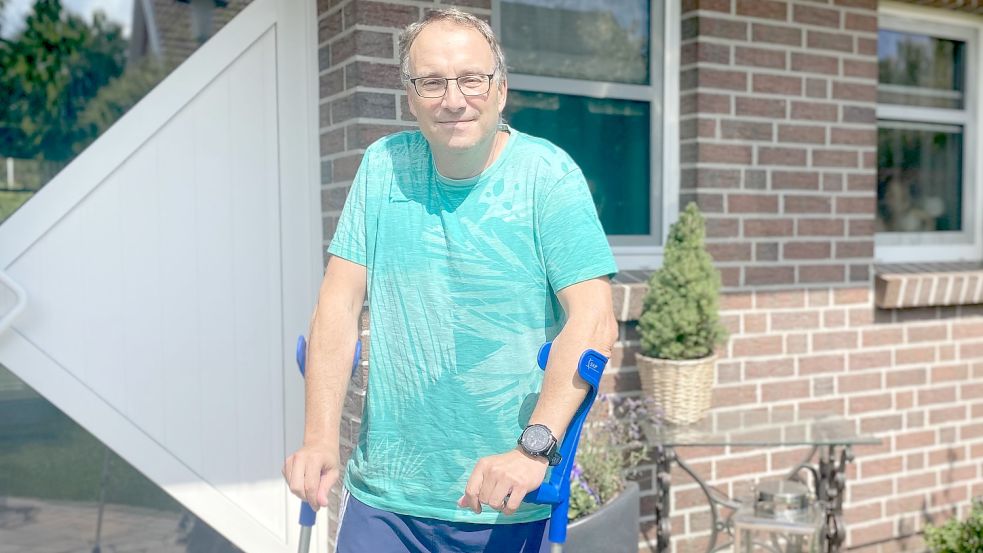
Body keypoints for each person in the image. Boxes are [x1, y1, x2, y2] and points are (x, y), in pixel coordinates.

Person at [282, 8, 618, 552]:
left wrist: (533, 452)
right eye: (432, 82)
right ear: (410, 97)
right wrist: (319, 439)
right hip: (384, 500)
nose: (454, 99)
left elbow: (595, 320)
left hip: (503, 502)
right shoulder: (382, 167)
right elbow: (337, 306)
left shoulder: (547, 176)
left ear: (501, 90)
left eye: (471, 79)